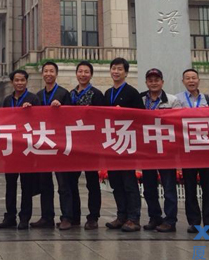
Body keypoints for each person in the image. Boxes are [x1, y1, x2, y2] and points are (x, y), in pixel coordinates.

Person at [104, 57, 145, 233]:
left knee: (129, 183)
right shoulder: (107, 93)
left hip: (127, 144)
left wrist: (125, 113)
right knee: (116, 183)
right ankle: (121, 216)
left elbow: (142, 117)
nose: (116, 72)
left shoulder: (132, 93)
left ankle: (133, 218)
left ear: (126, 73)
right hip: (112, 144)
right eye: (113, 68)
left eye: (120, 69)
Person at [0, 69, 40, 230]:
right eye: (17, 80)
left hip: (27, 148)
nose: (19, 83)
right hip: (11, 149)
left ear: (26, 82)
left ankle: (25, 217)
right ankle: (10, 216)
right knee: (10, 185)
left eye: (22, 80)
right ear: (12, 82)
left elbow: (40, 121)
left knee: (26, 185)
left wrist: (31, 111)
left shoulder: (33, 99)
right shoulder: (7, 100)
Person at [176, 68, 209, 234]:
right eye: (188, 78)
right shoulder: (178, 99)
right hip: (187, 149)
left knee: (208, 187)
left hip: (206, 149)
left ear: (198, 80)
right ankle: (193, 222)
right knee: (190, 187)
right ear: (183, 81)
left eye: (194, 78)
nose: (191, 81)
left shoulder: (208, 99)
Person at [67, 61, 106, 231]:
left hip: (91, 145)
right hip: (74, 144)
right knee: (71, 182)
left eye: (86, 72)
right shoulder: (70, 94)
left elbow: (102, 118)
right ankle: (74, 216)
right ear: (76, 73)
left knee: (92, 182)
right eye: (80, 71)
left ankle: (93, 217)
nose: (83, 74)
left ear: (91, 75)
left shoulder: (97, 94)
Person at [141, 68, 180, 233]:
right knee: (149, 187)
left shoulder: (172, 100)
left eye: (156, 80)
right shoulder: (141, 100)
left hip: (166, 150)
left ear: (162, 82)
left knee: (168, 186)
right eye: (150, 80)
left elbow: (178, 122)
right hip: (147, 150)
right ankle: (154, 217)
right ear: (146, 83)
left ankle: (170, 220)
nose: (153, 83)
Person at [36, 61, 71, 230]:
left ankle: (67, 217)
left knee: (63, 184)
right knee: (44, 183)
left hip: (60, 145)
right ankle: (46, 217)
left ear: (56, 74)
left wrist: (61, 108)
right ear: (42, 74)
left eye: (51, 71)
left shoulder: (64, 93)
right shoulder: (38, 95)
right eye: (46, 71)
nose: (48, 74)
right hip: (43, 145)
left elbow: (71, 117)